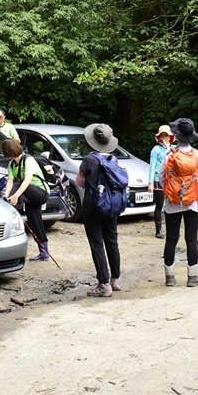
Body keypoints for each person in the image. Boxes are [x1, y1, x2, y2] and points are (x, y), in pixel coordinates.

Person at [75, 123, 123, 297]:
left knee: (97, 243)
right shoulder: (114, 159)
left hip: (93, 205)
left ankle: (103, 284)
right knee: (112, 240)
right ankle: (115, 279)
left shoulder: (89, 159)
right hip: (111, 205)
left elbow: (79, 182)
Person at [159, 118, 198, 287]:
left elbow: (161, 178)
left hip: (172, 204)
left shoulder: (168, 155)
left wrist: (173, 191)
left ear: (177, 136)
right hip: (192, 203)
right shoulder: (197, 155)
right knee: (191, 239)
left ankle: (170, 277)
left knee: (171, 240)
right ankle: (192, 277)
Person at [0, 138, 51, 261]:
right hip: (29, 196)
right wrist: (7, 194)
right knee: (35, 222)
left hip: (40, 193)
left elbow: (27, 181)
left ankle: (8, 207)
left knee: (19, 184)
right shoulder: (12, 164)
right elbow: (10, 181)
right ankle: (44, 252)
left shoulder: (29, 160)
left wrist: (16, 196)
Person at [148, 125, 174, 239]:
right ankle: (158, 230)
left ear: (170, 137)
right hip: (158, 179)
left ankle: (171, 229)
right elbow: (152, 166)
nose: (164, 137)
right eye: (162, 135)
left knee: (171, 205)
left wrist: (168, 147)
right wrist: (150, 183)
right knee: (159, 205)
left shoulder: (173, 149)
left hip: (171, 180)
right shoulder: (156, 149)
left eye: (166, 135)